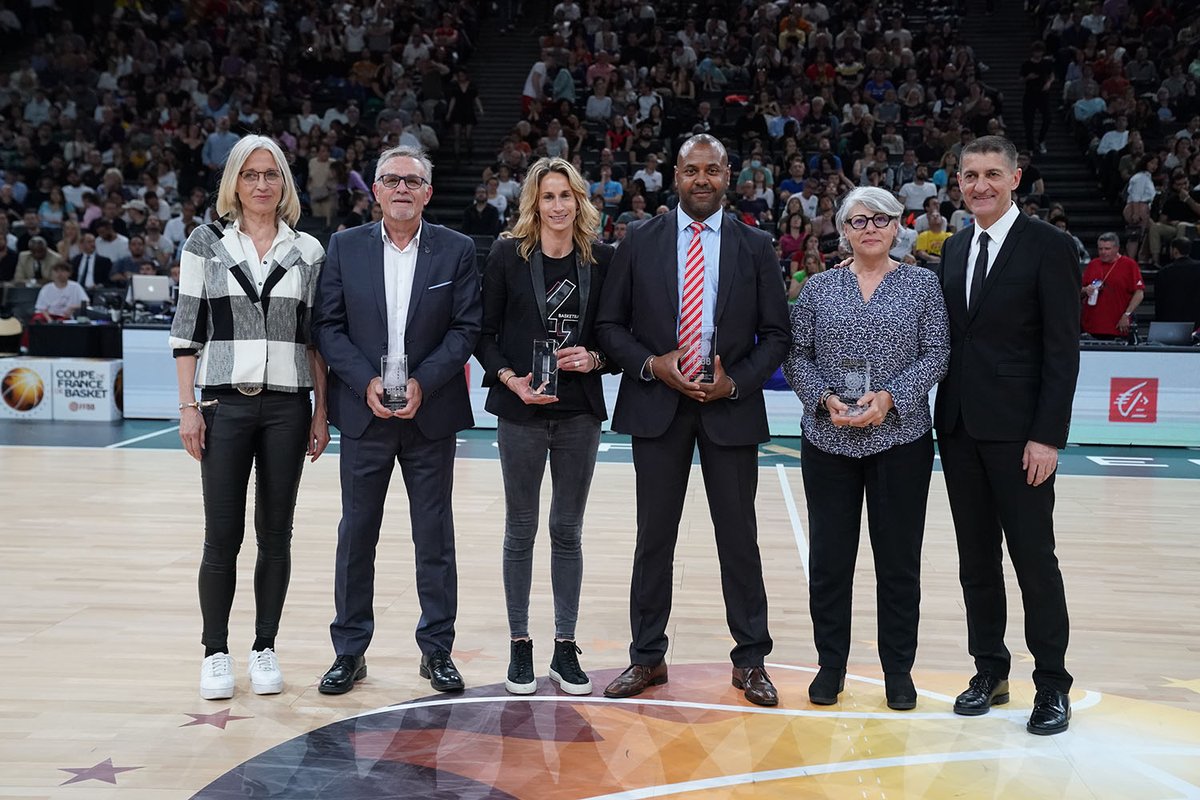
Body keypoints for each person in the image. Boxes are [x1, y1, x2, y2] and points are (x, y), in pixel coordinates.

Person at [595, 133, 790, 706]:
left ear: (730, 175)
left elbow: (778, 334)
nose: (701, 179)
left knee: (739, 539)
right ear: (673, 175)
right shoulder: (639, 240)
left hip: (728, 407)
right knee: (654, 538)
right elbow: (610, 327)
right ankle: (646, 658)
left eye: (712, 169)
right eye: (690, 170)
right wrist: (653, 364)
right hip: (657, 406)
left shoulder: (755, 245)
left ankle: (750, 660)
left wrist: (736, 381)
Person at [312, 144, 482, 696]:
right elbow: (328, 327)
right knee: (356, 534)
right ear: (376, 190)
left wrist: (422, 382)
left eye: (412, 180)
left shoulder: (455, 250)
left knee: (434, 537)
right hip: (365, 415)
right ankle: (349, 651)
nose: (402, 188)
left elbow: (465, 329)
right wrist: (364, 381)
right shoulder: (344, 247)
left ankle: (437, 650)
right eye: (391, 179)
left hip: (429, 415)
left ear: (428, 192)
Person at [169, 134, 330, 700]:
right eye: (250, 174)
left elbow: (316, 342)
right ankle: (216, 651)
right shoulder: (204, 244)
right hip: (223, 405)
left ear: (285, 182)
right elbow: (186, 332)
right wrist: (188, 407)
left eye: (271, 174)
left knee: (276, 535)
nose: (262, 184)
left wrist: (320, 412)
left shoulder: (308, 250)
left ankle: (265, 646)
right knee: (222, 536)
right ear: (233, 182)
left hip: (288, 405)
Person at [933, 135, 1080, 736]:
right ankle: (989, 670)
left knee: (1033, 561)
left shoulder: (1050, 246)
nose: (981, 186)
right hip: (961, 429)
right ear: (959, 183)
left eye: (993, 174)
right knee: (976, 562)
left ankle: (1051, 685)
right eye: (971, 176)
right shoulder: (955, 246)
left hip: (1021, 436)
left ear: (1016, 179)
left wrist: (1047, 437)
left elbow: (1061, 350)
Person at [784, 190, 949, 712]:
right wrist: (823, 397)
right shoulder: (817, 288)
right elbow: (796, 357)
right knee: (831, 561)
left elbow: (937, 352)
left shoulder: (923, 285)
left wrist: (893, 397)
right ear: (843, 229)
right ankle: (830, 665)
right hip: (830, 440)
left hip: (900, 440)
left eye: (881, 219)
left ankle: (897, 670)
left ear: (898, 225)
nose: (870, 228)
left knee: (898, 563)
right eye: (859, 220)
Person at [474, 157, 615, 696]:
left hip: (578, 412)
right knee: (520, 530)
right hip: (521, 411)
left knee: (567, 531)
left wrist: (594, 358)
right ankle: (519, 646)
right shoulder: (507, 255)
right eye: (548, 196)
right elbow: (483, 335)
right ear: (533, 204)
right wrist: (510, 380)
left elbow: (615, 336)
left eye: (566, 195)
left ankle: (564, 645)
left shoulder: (602, 259)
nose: (558, 205)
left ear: (579, 202)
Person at [1081, 232, 1144, 339]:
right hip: (1091, 326)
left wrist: (1127, 315)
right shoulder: (1093, 264)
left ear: (1116, 248)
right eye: (1100, 249)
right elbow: (1079, 289)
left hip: (1116, 326)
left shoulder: (1129, 265)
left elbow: (1139, 293)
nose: (1103, 252)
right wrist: (1086, 289)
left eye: (1107, 249)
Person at [1154, 237, 1200, 328]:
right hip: (1197, 321)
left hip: (1172, 322)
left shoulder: (1164, 272)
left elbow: (1159, 300)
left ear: (1175, 250)